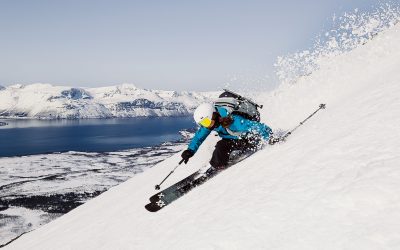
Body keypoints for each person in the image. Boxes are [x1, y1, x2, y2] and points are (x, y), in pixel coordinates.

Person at [181, 102, 274, 173]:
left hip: (247, 139)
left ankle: (218, 164)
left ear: (213, 115)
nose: (206, 126)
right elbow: (199, 136)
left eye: (206, 122)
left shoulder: (234, 120)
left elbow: (256, 126)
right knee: (221, 146)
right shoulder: (212, 122)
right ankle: (218, 163)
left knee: (221, 146)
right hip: (232, 139)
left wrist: (269, 137)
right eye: (203, 124)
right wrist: (190, 151)